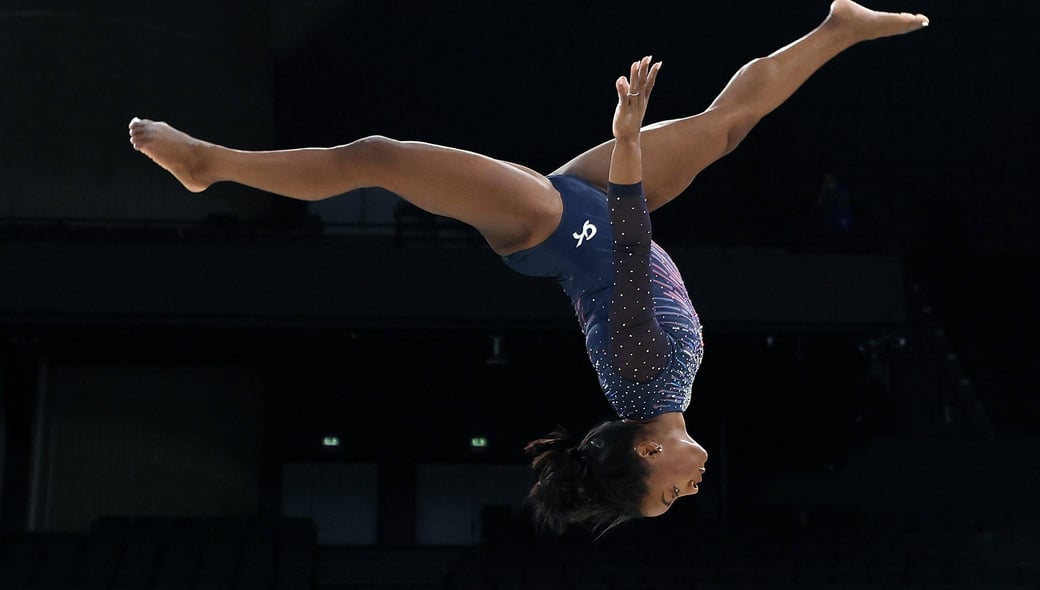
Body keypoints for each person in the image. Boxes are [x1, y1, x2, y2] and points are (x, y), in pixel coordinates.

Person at [128, 1, 929, 533]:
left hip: (564, 229)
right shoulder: (664, 390)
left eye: (672, 491)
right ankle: (838, 27)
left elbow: (623, 239)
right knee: (726, 129)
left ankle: (212, 163)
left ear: (649, 453)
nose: (691, 487)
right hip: (591, 220)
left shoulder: (645, 373)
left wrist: (625, 137)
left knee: (378, 157)